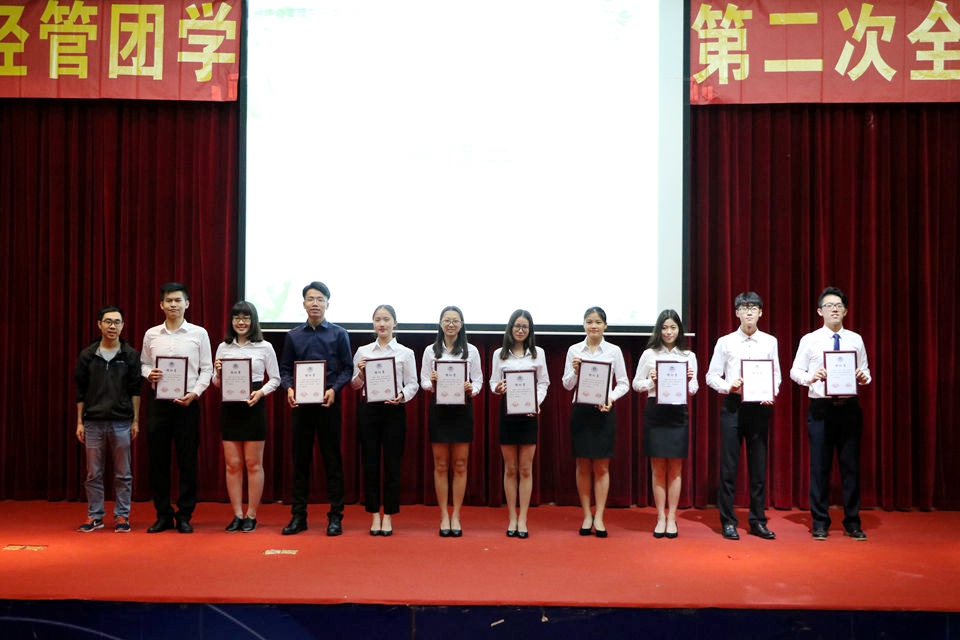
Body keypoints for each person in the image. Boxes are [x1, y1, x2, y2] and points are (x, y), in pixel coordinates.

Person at [790, 286, 871, 541]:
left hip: (849, 409)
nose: (834, 309)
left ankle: (852, 522)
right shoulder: (810, 340)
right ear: (820, 311)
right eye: (829, 305)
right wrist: (811, 377)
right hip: (821, 409)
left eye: (838, 306)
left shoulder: (855, 339)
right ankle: (820, 522)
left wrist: (863, 377)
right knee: (820, 467)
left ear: (845, 311)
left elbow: (866, 371)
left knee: (851, 468)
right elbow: (795, 371)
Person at [705, 291, 781, 541]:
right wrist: (728, 386)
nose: (749, 312)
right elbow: (711, 376)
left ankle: (758, 520)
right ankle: (728, 521)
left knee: (758, 467)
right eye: (744, 308)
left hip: (759, 407)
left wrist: (771, 392)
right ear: (736, 312)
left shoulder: (770, 341)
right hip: (733, 406)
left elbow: (776, 375)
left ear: (761, 312)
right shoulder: (725, 342)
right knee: (729, 467)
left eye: (754, 307)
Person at [278, 281, 353, 536]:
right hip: (301, 405)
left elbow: (347, 368)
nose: (315, 303)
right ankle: (298, 516)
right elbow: (285, 369)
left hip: (328, 403)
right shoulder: (293, 336)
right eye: (310, 299)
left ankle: (335, 517)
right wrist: (289, 388)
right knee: (300, 461)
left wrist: (335, 390)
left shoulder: (339, 334)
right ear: (303, 304)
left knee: (332, 460)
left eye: (320, 299)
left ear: (327, 304)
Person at [140, 282, 213, 534]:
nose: (173, 305)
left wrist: (196, 393)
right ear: (161, 304)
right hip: (158, 404)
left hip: (187, 404)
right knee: (158, 461)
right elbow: (143, 363)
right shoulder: (151, 334)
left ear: (187, 303)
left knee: (187, 461)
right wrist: (149, 374)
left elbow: (207, 369)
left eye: (178, 300)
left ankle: (184, 515)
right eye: (169, 301)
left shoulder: (199, 333)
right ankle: (163, 514)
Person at [211, 301, 280, 533]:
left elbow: (275, 379)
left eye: (246, 317)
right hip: (230, 407)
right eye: (237, 317)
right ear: (231, 321)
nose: (241, 322)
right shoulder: (223, 347)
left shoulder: (265, 347)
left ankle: (251, 514)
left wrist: (260, 393)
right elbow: (216, 383)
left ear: (253, 321)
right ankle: (237, 515)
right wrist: (218, 373)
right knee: (232, 465)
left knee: (253, 463)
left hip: (254, 404)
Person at [350, 304, 419, 536]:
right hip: (368, 410)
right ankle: (373, 515)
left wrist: (402, 396)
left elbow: (413, 384)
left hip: (394, 410)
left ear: (394, 323)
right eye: (378, 319)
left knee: (392, 464)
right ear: (373, 323)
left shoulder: (405, 353)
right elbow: (354, 385)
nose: (382, 324)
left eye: (386, 319)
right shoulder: (363, 351)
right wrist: (361, 374)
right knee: (370, 463)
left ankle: (388, 514)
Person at [561, 306, 629, 538]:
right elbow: (567, 385)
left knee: (601, 467)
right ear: (583, 324)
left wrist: (611, 398)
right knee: (582, 466)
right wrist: (574, 371)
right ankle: (586, 515)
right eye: (589, 321)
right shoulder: (574, 350)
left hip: (603, 411)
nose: (593, 326)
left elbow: (623, 383)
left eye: (598, 322)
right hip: (581, 412)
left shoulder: (614, 351)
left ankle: (599, 515)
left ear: (605, 326)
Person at [74, 306, 142, 533]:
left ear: (123, 326)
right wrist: (80, 422)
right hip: (92, 422)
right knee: (93, 473)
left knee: (123, 473)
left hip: (121, 421)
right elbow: (80, 391)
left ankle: (122, 516)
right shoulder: (87, 355)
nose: (112, 326)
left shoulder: (130, 355)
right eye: (108, 322)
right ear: (99, 325)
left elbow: (135, 390)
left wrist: (135, 421)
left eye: (117, 322)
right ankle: (95, 516)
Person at [632, 309, 698, 539]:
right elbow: (636, 384)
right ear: (658, 330)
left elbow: (694, 388)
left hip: (678, 413)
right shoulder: (649, 354)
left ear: (679, 329)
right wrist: (651, 381)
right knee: (658, 468)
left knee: (676, 469)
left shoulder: (688, 355)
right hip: (656, 412)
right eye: (664, 327)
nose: (669, 332)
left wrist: (688, 381)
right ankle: (660, 516)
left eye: (673, 327)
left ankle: (672, 518)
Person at [420, 306, 483, 537]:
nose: (451, 325)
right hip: (439, 410)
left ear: (461, 324)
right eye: (447, 320)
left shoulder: (471, 351)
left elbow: (479, 381)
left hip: (462, 410)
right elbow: (423, 381)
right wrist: (432, 382)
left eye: (455, 321)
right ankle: (443, 515)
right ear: (440, 323)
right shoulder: (430, 351)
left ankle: (456, 514)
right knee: (440, 464)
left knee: (460, 464)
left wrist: (471, 388)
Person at [490, 310, 550, 539]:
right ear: (510, 328)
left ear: (530, 330)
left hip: (529, 414)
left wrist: (536, 402)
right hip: (507, 413)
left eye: (525, 327)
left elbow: (544, 383)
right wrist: (498, 388)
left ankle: (523, 518)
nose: (521, 330)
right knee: (510, 468)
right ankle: (511, 517)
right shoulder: (499, 354)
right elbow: (493, 382)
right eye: (517, 326)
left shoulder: (538, 353)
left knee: (525, 469)